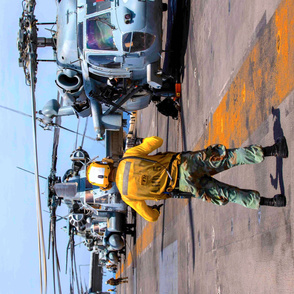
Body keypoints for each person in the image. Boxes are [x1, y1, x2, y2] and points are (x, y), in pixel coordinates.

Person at [87, 136, 288, 222]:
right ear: (106, 165)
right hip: (185, 164)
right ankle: (274, 150)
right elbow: (157, 141)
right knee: (228, 158)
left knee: (226, 194)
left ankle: (272, 201)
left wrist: (155, 209)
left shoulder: (127, 196)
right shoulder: (129, 156)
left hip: (184, 187)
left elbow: (151, 217)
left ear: (105, 184)